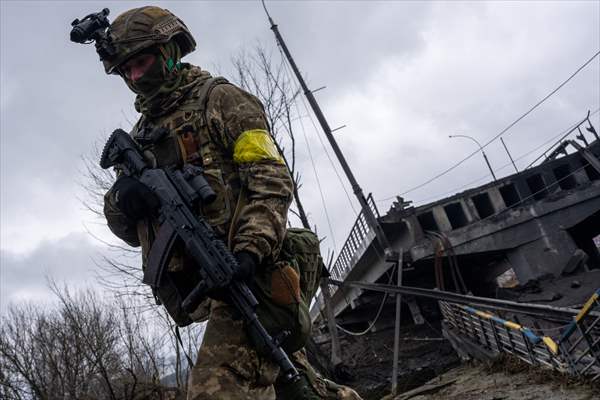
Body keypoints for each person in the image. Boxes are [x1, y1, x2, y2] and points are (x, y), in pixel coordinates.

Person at [99, 6, 362, 400]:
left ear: (170, 49)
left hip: (254, 271)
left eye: (141, 61)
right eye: (126, 70)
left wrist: (250, 251)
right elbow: (129, 233)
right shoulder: (138, 140)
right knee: (292, 385)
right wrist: (123, 200)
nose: (135, 77)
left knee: (216, 389)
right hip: (206, 287)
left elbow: (271, 181)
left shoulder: (222, 101)